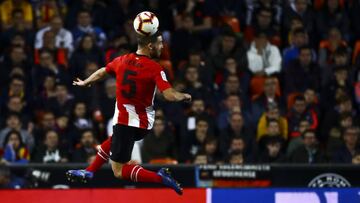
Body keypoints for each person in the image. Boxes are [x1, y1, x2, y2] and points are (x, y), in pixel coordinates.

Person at [66, 31, 191, 195]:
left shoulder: (122, 60)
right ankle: (89, 171)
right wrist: (184, 95)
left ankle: (159, 178)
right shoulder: (155, 68)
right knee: (113, 141)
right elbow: (168, 95)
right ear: (150, 46)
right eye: (160, 43)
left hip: (127, 122)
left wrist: (87, 82)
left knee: (118, 170)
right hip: (141, 123)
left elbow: (103, 70)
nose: (163, 46)